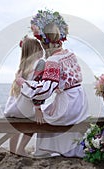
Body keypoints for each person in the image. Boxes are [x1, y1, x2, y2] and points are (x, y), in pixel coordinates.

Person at [16, 10, 89, 157]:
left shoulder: (52, 61)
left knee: (38, 116)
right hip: (80, 103)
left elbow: (44, 90)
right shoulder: (69, 53)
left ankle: (43, 150)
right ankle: (53, 149)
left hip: (68, 106)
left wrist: (22, 82)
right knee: (46, 110)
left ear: (44, 43)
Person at [4, 36, 45, 156]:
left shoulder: (21, 67)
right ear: (36, 50)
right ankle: (21, 149)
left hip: (11, 109)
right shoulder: (40, 63)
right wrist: (38, 109)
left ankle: (12, 152)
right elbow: (37, 89)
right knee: (36, 120)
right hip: (25, 110)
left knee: (16, 126)